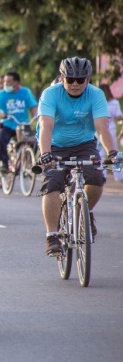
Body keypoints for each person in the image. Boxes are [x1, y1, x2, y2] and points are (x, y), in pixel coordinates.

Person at [37, 57, 122, 256]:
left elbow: (102, 127)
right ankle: (52, 235)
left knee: (96, 178)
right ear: (62, 78)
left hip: (84, 144)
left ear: (88, 79)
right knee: (52, 183)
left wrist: (111, 152)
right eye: (70, 80)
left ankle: (85, 212)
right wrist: (45, 154)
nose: (75, 84)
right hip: (55, 145)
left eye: (80, 80)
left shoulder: (96, 94)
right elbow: (46, 126)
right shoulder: (50, 94)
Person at [0, 71, 38, 170]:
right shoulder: (1, 95)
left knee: (34, 140)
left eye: (9, 82)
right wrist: (0, 114)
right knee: (2, 137)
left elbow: (33, 107)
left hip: (23, 124)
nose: (6, 84)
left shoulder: (25, 92)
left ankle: (28, 160)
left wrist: (36, 116)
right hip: (8, 124)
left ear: (17, 82)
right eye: (5, 81)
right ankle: (4, 162)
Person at [98, 84, 123, 181]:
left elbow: (119, 116)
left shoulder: (114, 102)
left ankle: (119, 175)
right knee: (100, 153)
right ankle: (102, 175)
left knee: (114, 152)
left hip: (111, 128)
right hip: (100, 129)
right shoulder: (98, 102)